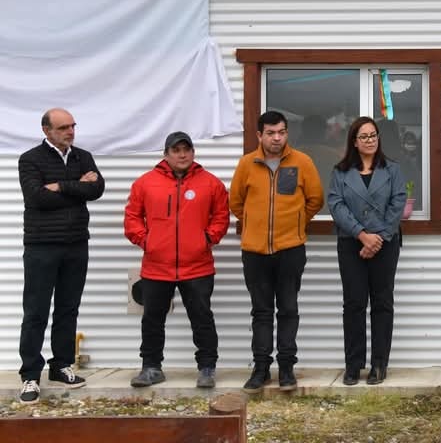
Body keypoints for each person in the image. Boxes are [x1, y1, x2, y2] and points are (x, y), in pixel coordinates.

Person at [124, 132, 230, 389]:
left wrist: (207, 239)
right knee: (152, 318)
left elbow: (221, 216)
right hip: (157, 266)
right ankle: (151, 367)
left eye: (186, 149)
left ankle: (207, 368)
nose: (182, 155)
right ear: (166, 154)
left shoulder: (211, 184)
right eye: (176, 150)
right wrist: (147, 241)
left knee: (202, 317)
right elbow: (132, 217)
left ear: (193, 152)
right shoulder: (145, 184)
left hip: (198, 265)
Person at [229, 110, 324, 392]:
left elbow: (315, 200)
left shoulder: (302, 162)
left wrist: (295, 223)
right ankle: (260, 369)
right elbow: (236, 203)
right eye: (271, 133)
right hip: (255, 252)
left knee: (288, 309)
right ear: (260, 135)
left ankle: (286, 368)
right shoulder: (247, 164)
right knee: (261, 311)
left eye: (281, 132)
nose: (277, 138)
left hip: (290, 250)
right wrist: (255, 226)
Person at [16, 108, 105, 405]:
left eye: (72, 126)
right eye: (63, 127)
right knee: (36, 311)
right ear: (47, 131)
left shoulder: (83, 157)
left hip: (76, 243)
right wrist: (79, 187)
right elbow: (36, 197)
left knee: (68, 308)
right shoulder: (30, 159)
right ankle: (30, 374)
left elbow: (97, 189)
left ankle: (61, 366)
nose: (70, 132)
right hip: (42, 245)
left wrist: (61, 186)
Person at [327, 116, 407, 386]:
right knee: (354, 303)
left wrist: (377, 239)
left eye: (373, 135)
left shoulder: (392, 169)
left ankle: (379, 364)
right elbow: (336, 205)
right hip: (352, 243)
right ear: (354, 141)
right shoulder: (340, 172)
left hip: (385, 243)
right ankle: (353, 364)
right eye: (364, 136)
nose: (370, 140)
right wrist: (362, 235)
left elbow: (398, 204)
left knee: (382, 303)